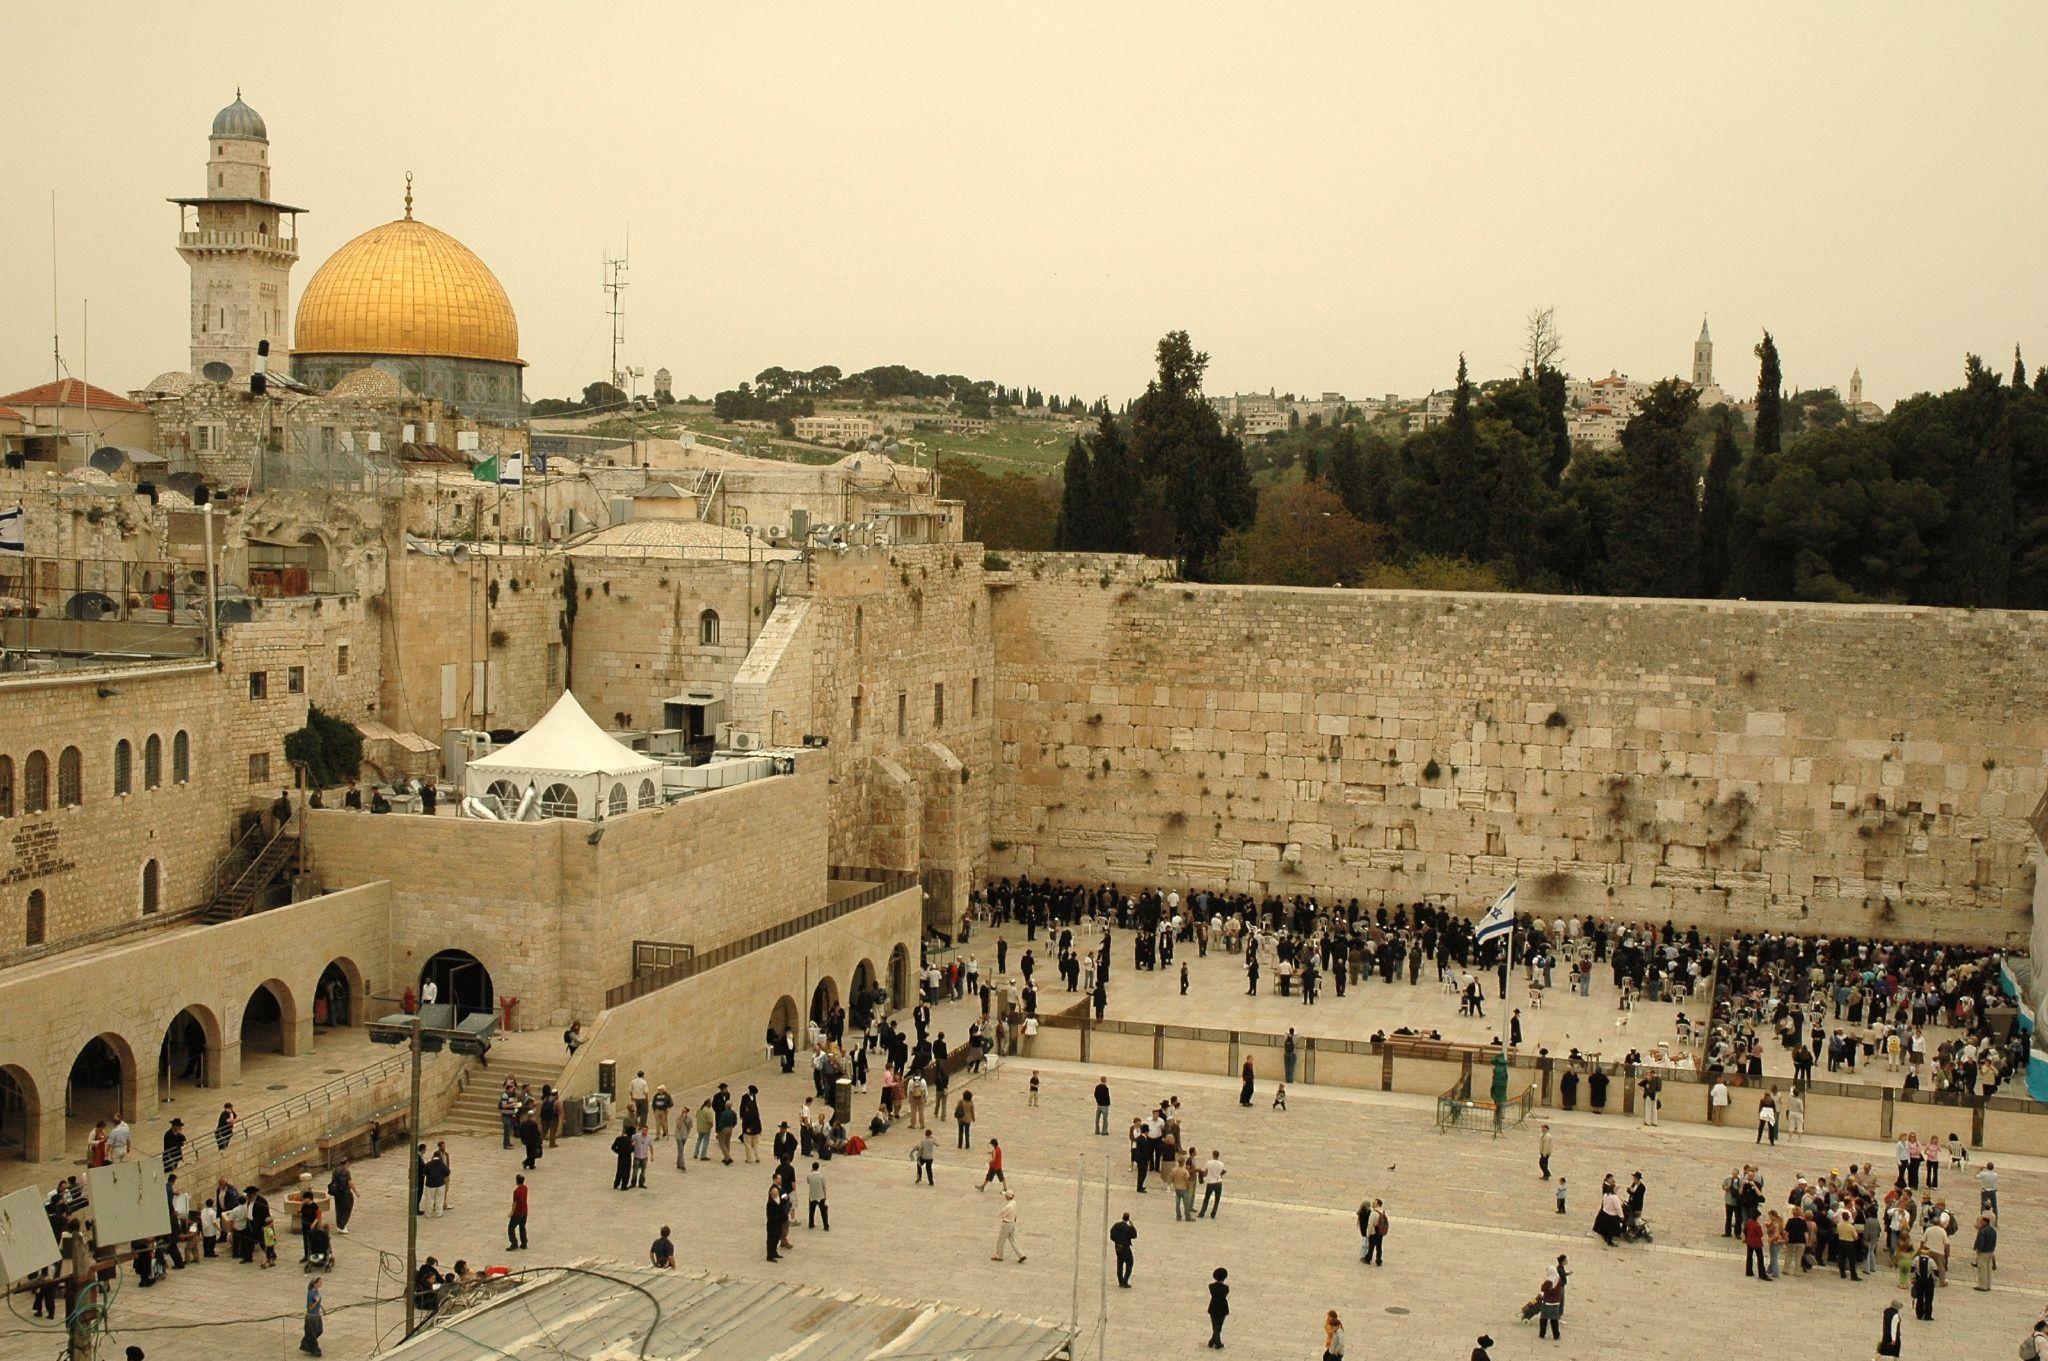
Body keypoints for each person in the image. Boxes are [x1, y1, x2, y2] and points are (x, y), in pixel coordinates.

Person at [992, 1190, 1026, 1263]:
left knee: (1000, 1241)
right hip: (1012, 1223)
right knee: (1013, 1239)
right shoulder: (1014, 1203)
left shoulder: (1008, 1206)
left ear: (1007, 1197)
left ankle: (999, 1255)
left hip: (1007, 1224)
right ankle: (1021, 1254)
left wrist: (1000, 1213)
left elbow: (1002, 1214)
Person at [327, 1161, 354, 1235]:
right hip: (345, 1192)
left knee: (339, 1208)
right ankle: (342, 1225)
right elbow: (350, 1183)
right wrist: (356, 1192)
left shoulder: (335, 1170)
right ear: (346, 1163)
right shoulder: (346, 1172)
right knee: (348, 1207)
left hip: (337, 1192)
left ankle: (339, 1224)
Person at [1110, 1212, 1137, 1287]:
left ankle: (1120, 1281)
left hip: (1117, 1247)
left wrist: (1116, 1241)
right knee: (1130, 1263)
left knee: (1120, 1263)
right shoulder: (1128, 1228)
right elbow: (1134, 1235)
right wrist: (1132, 1226)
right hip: (1125, 1248)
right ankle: (1125, 1281)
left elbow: (1111, 1234)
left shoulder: (1116, 1225)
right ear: (1128, 1219)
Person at [1206, 1267, 1230, 1349]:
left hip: (1213, 1307)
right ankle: (1217, 1343)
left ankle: (1212, 1341)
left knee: (1215, 1325)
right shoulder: (1226, 1288)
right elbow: (1226, 1295)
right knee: (1219, 1325)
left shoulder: (1211, 1286)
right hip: (1222, 1308)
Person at [299, 1276, 324, 1356]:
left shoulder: (317, 1291)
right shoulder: (311, 1294)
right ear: (314, 1284)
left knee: (319, 1331)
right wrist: (316, 1302)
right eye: (319, 1282)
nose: (321, 1283)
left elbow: (318, 1300)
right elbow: (310, 1307)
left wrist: (322, 1308)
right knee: (313, 1334)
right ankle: (314, 1349)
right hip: (311, 1317)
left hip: (317, 1315)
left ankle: (307, 1344)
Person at [1971, 1213, 1996, 1290]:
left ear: (1985, 1222)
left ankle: (1983, 1286)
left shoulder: (1982, 1231)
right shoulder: (1993, 1230)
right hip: (1990, 1251)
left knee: (1982, 1269)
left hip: (1983, 1252)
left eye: (1981, 1221)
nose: (1980, 1223)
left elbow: (1980, 1242)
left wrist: (1978, 1250)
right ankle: (1988, 1285)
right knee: (1988, 1269)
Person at [765, 1179, 788, 1262]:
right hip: (772, 1223)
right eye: (775, 1194)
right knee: (771, 1238)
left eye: (777, 1193)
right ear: (772, 1194)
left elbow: (783, 1203)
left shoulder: (779, 1198)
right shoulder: (771, 1203)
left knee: (777, 1237)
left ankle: (774, 1252)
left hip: (778, 1222)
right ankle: (770, 1255)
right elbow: (771, 1213)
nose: (777, 1194)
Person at [1199, 1149, 1227, 1218]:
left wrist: (1201, 1174)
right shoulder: (1221, 1164)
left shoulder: (1209, 1163)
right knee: (1217, 1199)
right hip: (1218, 1182)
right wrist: (1220, 1174)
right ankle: (1213, 1213)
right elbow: (1225, 1171)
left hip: (1211, 1182)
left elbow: (1205, 1172)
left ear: (1213, 1155)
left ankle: (1202, 1213)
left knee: (1207, 1198)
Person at [1362, 1199, 1387, 1265]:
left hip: (1374, 1232)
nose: (1372, 1203)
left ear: (1378, 1204)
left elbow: (1370, 1224)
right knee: (1379, 1246)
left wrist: (1368, 1233)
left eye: (1374, 1203)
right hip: (1380, 1232)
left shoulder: (1373, 1213)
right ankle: (1378, 1261)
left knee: (1371, 1246)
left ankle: (1368, 1259)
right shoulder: (1383, 1211)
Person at [806, 1162, 829, 1231]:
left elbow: (808, 1182)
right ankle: (826, 1226)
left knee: (811, 1211)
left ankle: (811, 1223)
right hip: (820, 1196)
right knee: (823, 1212)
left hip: (812, 1195)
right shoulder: (821, 1176)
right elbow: (824, 1187)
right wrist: (825, 1196)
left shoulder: (809, 1175)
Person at [507, 1175, 528, 1250]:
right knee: (522, 1227)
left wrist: (512, 1212)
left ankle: (514, 1243)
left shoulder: (516, 1191)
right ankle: (524, 1243)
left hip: (518, 1212)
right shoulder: (525, 1188)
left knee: (511, 1227)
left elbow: (514, 1203)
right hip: (525, 1211)